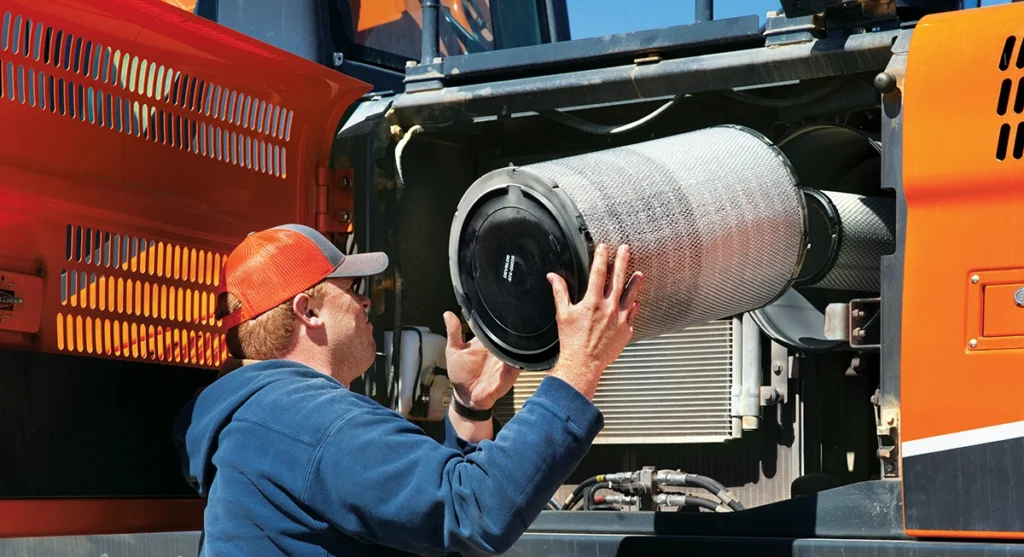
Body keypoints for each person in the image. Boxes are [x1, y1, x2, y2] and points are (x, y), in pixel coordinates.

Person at [173, 223, 644, 556]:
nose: (364, 301)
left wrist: (469, 408)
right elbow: (477, 512)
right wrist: (581, 364)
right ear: (308, 311)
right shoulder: (305, 421)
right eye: (352, 287)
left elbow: (426, 521)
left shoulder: (264, 420)